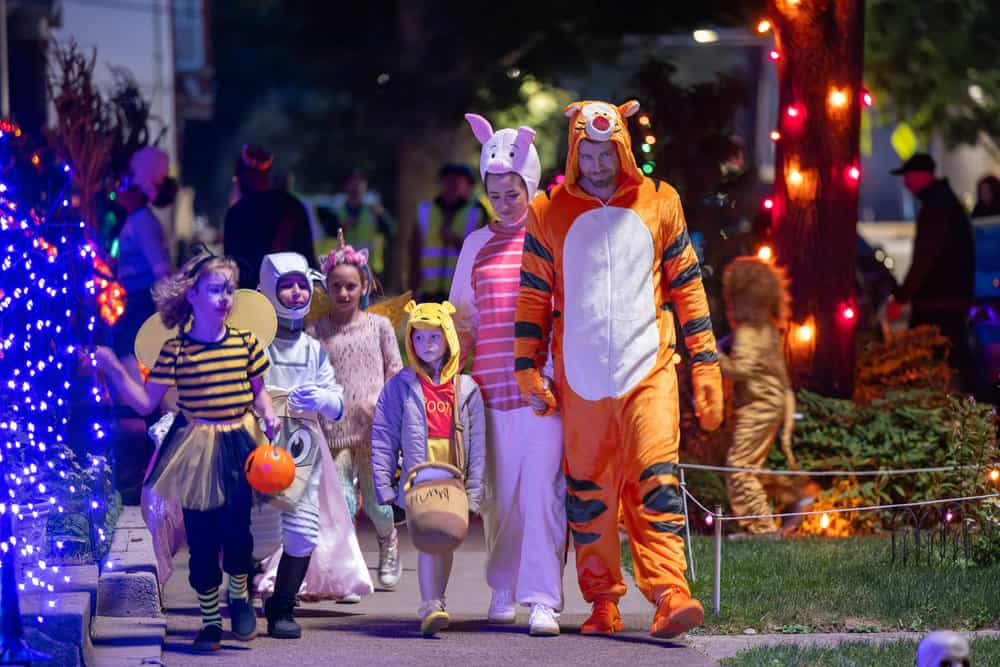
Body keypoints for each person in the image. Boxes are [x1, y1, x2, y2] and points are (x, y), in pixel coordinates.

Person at [514, 99, 724, 639]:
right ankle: (602, 599)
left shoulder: (661, 201)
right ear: (575, 150)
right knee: (590, 493)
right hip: (580, 379)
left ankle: (670, 592)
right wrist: (526, 368)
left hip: (648, 369)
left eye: (610, 151)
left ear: (623, 148)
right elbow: (534, 294)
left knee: (655, 480)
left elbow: (688, 286)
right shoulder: (547, 210)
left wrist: (705, 365)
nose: (600, 163)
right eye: (590, 151)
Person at [95, 252, 278, 652]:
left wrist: (269, 415)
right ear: (192, 295)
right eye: (215, 289)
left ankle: (240, 594)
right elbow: (145, 402)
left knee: (237, 530)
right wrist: (112, 369)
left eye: (229, 289)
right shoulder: (176, 351)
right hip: (194, 446)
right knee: (202, 537)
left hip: (238, 443)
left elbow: (259, 392)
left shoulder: (245, 343)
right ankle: (211, 621)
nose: (224, 297)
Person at [448, 113, 564, 636]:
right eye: (495, 191)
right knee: (499, 499)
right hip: (490, 391)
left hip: (541, 388)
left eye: (512, 190)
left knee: (541, 493)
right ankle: (502, 585)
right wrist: (449, 381)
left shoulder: (551, 239)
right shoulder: (475, 245)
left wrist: (557, 374)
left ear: (529, 184)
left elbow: (565, 311)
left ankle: (542, 598)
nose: (503, 200)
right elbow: (462, 321)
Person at [251, 252, 373, 638]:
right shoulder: (255, 345)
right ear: (268, 289)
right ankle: (240, 593)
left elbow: (336, 402)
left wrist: (321, 400)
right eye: (285, 285)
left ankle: (283, 606)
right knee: (259, 534)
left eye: (301, 283)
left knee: (302, 530)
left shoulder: (312, 347)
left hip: (303, 445)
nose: (295, 292)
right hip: (260, 444)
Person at [370, 300, 486, 636]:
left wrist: (474, 492)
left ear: (449, 338)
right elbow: (383, 436)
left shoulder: (467, 389)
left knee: (446, 539)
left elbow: (478, 445)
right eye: (418, 339)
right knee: (427, 538)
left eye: (434, 338)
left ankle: (438, 599)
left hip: (454, 477)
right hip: (417, 478)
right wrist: (384, 487)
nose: (426, 346)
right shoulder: (400, 386)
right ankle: (430, 603)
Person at [309, 234, 404, 591]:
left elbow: (395, 371)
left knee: (379, 503)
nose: (344, 293)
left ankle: (388, 540)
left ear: (364, 285)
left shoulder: (379, 327)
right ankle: (348, 571)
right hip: (333, 431)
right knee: (342, 504)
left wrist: (381, 403)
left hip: (373, 430)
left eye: (351, 286)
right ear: (327, 288)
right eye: (337, 286)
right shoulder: (316, 331)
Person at [110, 146, 176, 504]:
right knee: (136, 393)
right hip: (133, 310)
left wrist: (170, 310)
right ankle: (143, 479)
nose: (120, 191)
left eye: (126, 184)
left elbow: (160, 269)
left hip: (139, 312)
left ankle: (143, 482)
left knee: (140, 396)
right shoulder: (137, 221)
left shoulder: (141, 222)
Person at [718, 257, 797, 537]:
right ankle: (794, 493)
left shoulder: (750, 332)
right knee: (750, 466)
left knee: (739, 466)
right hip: (770, 402)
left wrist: (711, 355)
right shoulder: (767, 330)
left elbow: (741, 369)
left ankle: (762, 528)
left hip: (759, 405)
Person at [887, 153, 975, 389]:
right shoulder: (944, 202)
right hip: (949, 298)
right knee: (954, 356)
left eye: (907, 177)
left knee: (927, 358)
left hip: (938, 302)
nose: (905, 184)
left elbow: (924, 259)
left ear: (920, 176)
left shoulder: (937, 208)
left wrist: (901, 298)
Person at [223, 144, 318, 288]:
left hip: (253, 294)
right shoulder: (293, 206)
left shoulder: (236, 212)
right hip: (292, 290)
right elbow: (308, 257)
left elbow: (232, 264)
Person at [409, 163, 489, 303]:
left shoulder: (477, 214)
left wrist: (457, 241)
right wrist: (412, 289)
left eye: (458, 182)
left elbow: (484, 257)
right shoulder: (425, 210)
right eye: (448, 181)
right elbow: (414, 253)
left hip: (461, 295)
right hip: (428, 294)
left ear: (469, 187)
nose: (452, 186)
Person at [318, 170, 396, 279]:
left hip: (369, 268)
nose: (356, 187)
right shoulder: (337, 211)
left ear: (365, 187)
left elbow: (391, 231)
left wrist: (382, 214)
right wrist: (342, 228)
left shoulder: (373, 210)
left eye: (360, 183)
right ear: (346, 187)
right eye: (353, 183)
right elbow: (328, 236)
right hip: (344, 267)